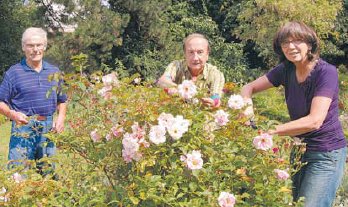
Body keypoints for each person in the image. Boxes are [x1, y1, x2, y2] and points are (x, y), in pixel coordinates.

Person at [241, 21, 347, 207]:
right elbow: (248, 88)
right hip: (299, 151)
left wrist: (269, 130)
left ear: (310, 44)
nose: (290, 46)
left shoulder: (326, 72)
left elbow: (314, 121)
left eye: (297, 40)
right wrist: (247, 112)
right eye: (285, 42)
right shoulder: (286, 70)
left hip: (326, 153)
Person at [0, 27, 67, 174]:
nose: (35, 49)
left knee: (49, 176)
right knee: (17, 175)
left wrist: (60, 118)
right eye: (30, 45)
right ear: (24, 47)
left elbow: (62, 100)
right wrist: (13, 115)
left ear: (44, 46)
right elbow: (0, 102)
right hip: (23, 128)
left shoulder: (54, 72)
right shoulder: (14, 73)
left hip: (48, 129)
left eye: (38, 45)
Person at [157, 33, 225, 107]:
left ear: (207, 55)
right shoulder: (176, 66)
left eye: (200, 52)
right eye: (191, 52)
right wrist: (181, 90)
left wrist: (213, 102)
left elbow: (216, 97)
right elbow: (162, 81)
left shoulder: (215, 74)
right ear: (185, 54)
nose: (195, 58)